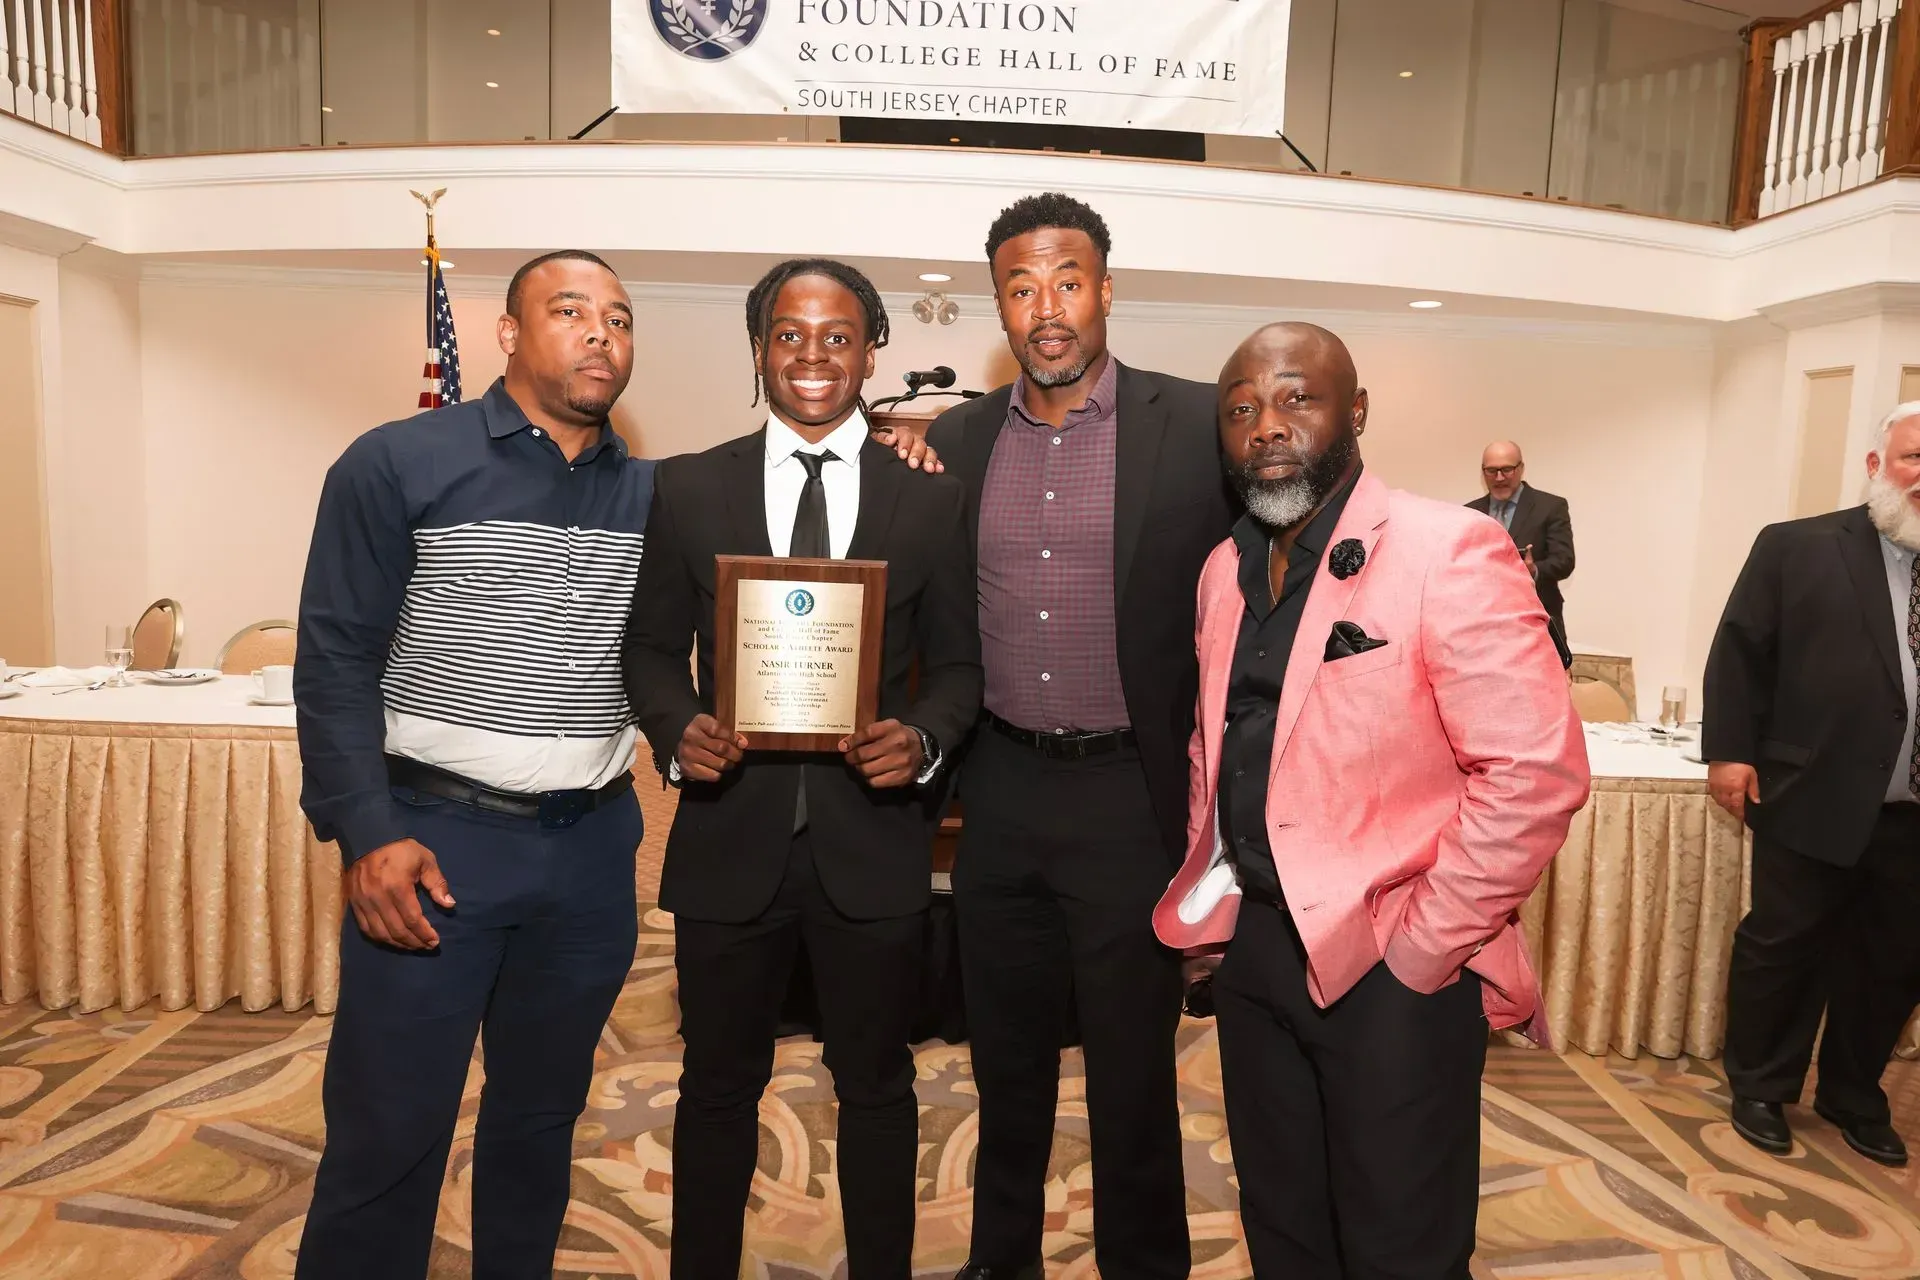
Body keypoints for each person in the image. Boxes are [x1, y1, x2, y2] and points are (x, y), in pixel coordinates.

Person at [293, 250, 943, 1280]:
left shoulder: (651, 491)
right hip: (435, 838)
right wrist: (365, 831)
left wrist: (898, 442)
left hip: (588, 852)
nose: (602, 334)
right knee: (390, 1122)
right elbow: (331, 658)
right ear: (509, 332)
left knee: (541, 1116)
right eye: (570, 311)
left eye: (622, 317)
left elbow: (761, 543)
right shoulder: (396, 462)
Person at [1155, 323, 1588, 1279]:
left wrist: (1424, 949)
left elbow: (1535, 772)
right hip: (1259, 950)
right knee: (1284, 1227)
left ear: (1355, 412)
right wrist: (1214, 912)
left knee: (1401, 1244)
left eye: (1295, 398)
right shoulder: (1222, 571)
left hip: (1394, 960)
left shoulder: (1451, 549)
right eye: (1240, 409)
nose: (1266, 426)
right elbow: (1212, 744)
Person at [622, 258, 982, 1279]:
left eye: (837, 335)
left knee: (875, 1087)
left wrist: (920, 737)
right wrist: (677, 722)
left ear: (872, 351)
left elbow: (960, 666)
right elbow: (649, 648)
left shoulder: (930, 501)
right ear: (759, 350)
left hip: (872, 843)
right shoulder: (688, 484)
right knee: (715, 1087)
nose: (812, 354)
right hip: (730, 837)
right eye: (789, 333)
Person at [926, 192, 1236, 1280]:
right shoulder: (954, 439)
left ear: (1105, 289)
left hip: (1129, 795)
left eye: (1066, 279)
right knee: (1003, 1066)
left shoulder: (1196, 424)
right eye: (1020, 285)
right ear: (998, 304)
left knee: (1131, 1073)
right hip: (1000, 792)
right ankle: (997, 1259)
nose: (1044, 306)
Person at [1703, 400, 1920, 1169]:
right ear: (1876, 467)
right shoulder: (1797, 547)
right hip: (1809, 794)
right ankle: (1761, 1086)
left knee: (1895, 961)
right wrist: (1729, 753)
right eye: (1912, 459)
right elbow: (1740, 652)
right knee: (1783, 948)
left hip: (1913, 819)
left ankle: (1854, 1095)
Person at [1467, 441, 1575, 667]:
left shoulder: (1550, 506)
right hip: (1484, 628)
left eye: (1507, 469)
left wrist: (1533, 570)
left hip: (1539, 622)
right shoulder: (1469, 512)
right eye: (1491, 471)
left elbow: (1565, 561)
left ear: (1521, 468)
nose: (1499, 478)